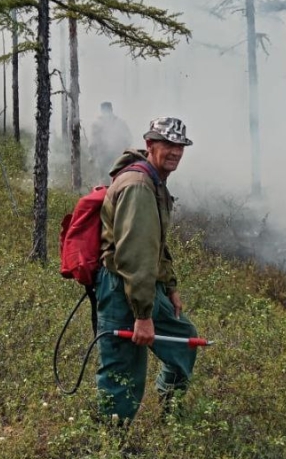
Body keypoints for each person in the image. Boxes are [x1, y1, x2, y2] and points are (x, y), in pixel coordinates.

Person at [95, 116, 196, 423]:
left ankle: (170, 409)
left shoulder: (155, 180)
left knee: (185, 339)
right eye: (168, 144)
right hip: (122, 286)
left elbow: (156, 244)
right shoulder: (139, 186)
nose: (175, 152)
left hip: (144, 286)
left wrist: (169, 287)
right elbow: (136, 257)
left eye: (180, 146)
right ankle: (111, 440)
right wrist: (143, 316)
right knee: (124, 373)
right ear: (150, 144)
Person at [90, 102, 133, 183]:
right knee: (112, 177)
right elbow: (128, 139)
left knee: (109, 178)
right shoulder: (98, 124)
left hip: (111, 155)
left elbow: (92, 143)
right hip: (105, 156)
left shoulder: (97, 123)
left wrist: (93, 155)